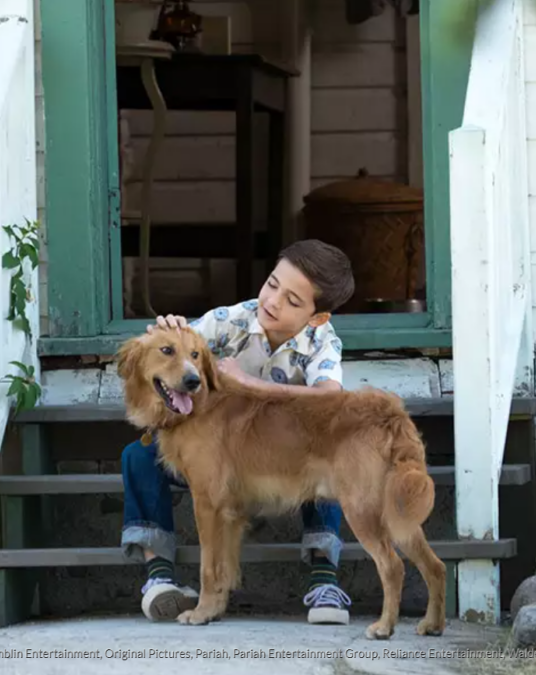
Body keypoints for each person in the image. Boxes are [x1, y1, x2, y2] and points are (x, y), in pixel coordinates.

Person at [119, 239, 358, 625]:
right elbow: (176, 348)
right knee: (138, 456)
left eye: (292, 301)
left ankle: (324, 578)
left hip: (283, 461)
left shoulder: (322, 342)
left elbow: (331, 399)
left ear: (317, 317)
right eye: (272, 284)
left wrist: (251, 385)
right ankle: (159, 577)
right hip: (216, 455)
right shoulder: (231, 320)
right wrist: (167, 332)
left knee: (327, 451)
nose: (273, 302)